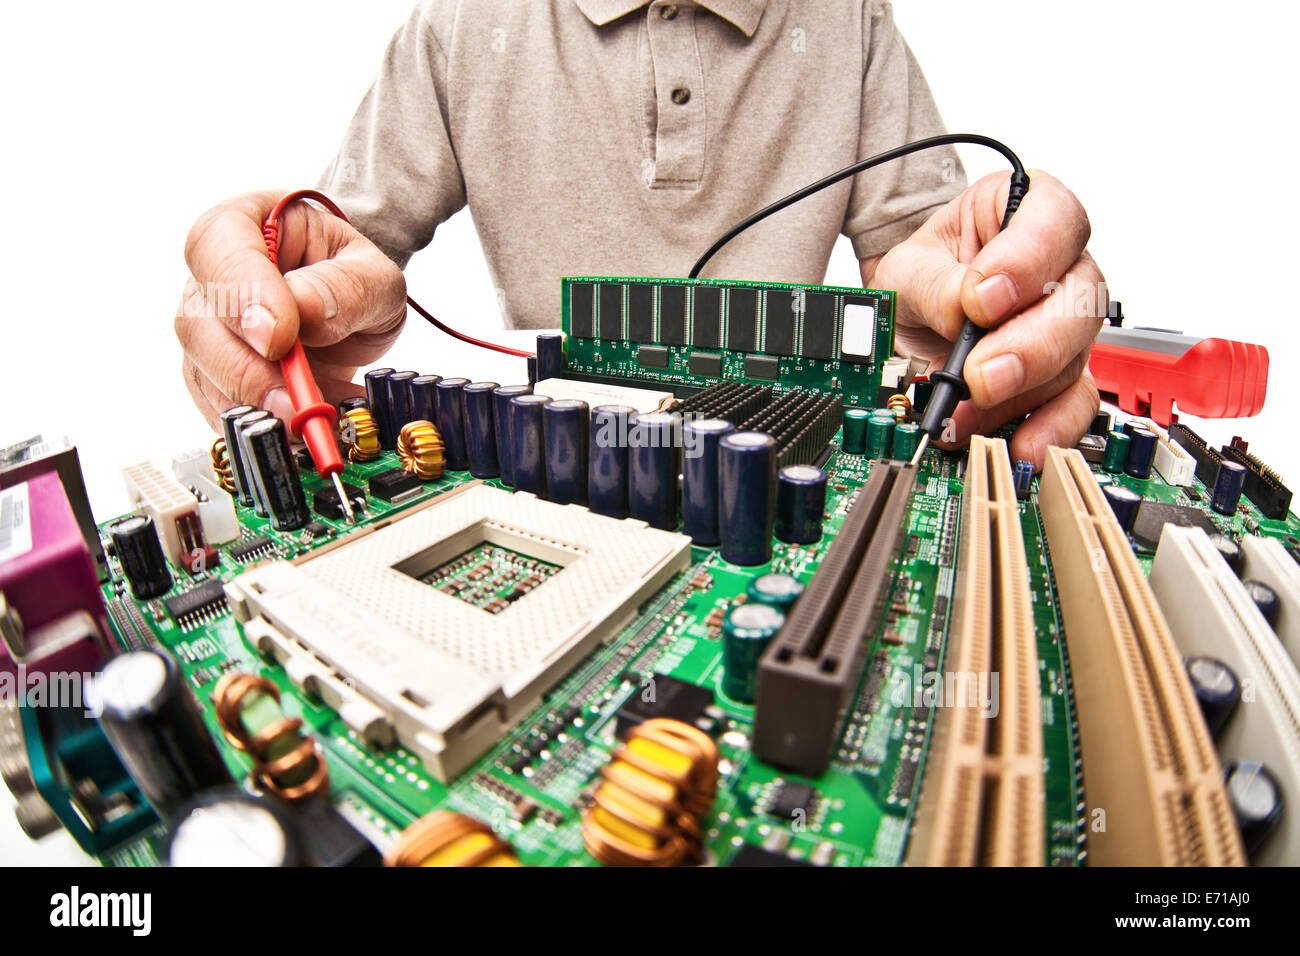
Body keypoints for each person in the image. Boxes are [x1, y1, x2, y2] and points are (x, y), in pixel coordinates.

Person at [175, 0, 1103, 468]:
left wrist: (988, 313)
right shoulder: (461, 21)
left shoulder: (849, 17)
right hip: (550, 463)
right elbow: (344, 259)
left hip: (799, 461)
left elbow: (925, 262)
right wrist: (291, 308)